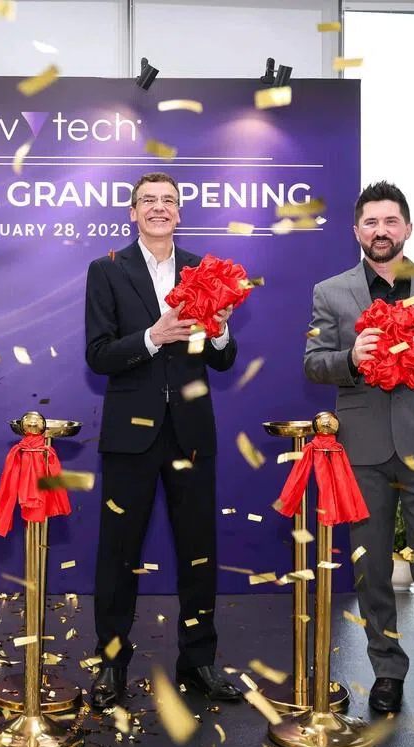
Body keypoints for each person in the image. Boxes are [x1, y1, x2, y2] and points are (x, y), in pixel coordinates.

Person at [304, 181, 414, 717]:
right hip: (361, 450)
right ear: (356, 230)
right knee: (370, 567)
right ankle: (386, 669)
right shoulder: (330, 293)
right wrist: (349, 359)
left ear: (407, 228)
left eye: (390, 222)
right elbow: (313, 364)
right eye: (370, 223)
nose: (380, 231)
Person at [84, 171, 241, 710]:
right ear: (132, 213)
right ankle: (111, 664)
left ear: (179, 212)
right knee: (117, 555)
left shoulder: (205, 271)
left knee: (199, 552)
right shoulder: (106, 271)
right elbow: (98, 354)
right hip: (130, 437)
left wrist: (218, 328)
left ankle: (198, 662)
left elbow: (222, 358)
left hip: (193, 434)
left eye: (168, 201)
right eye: (147, 201)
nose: (158, 208)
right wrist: (155, 336)